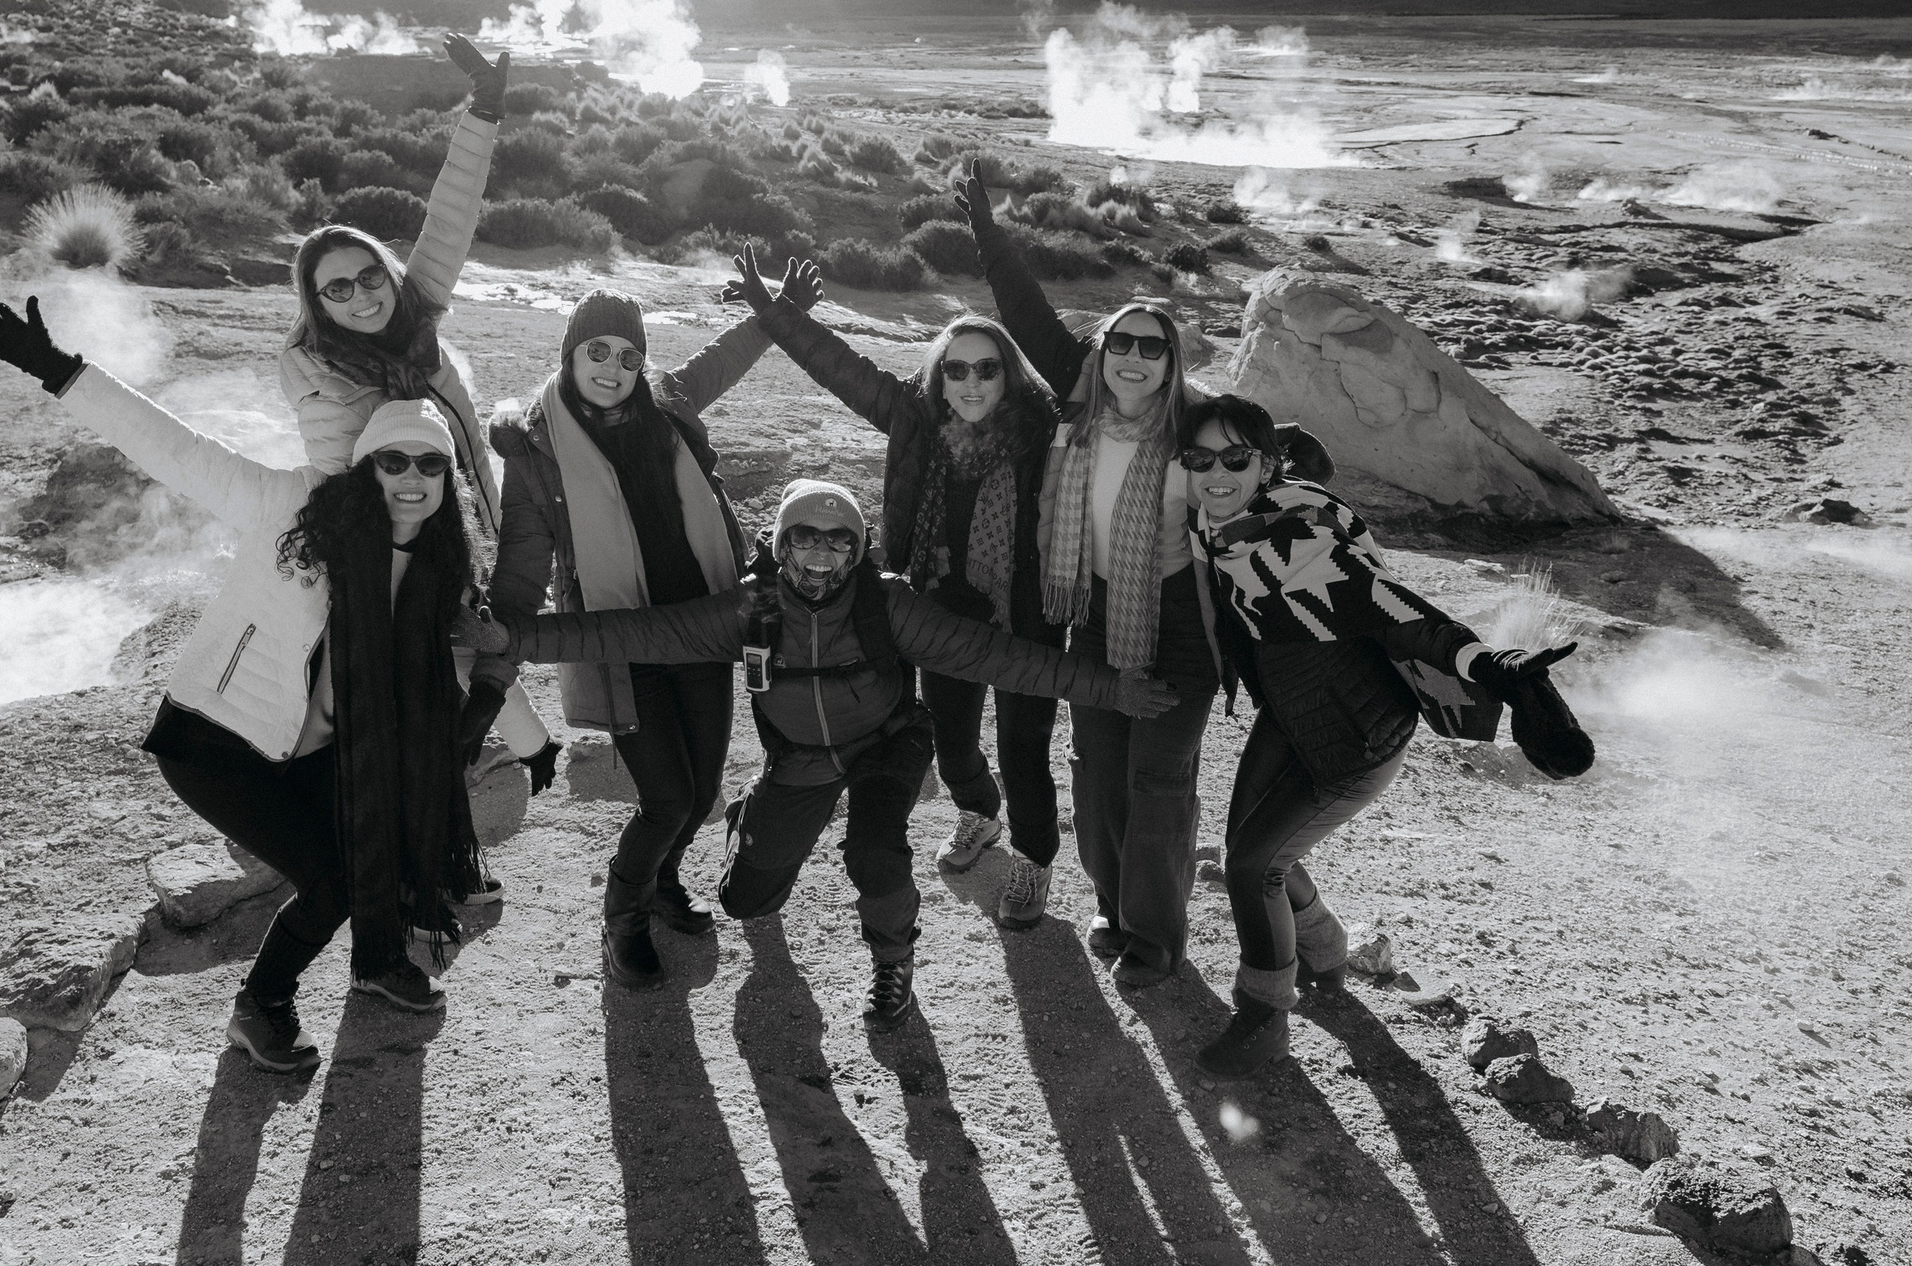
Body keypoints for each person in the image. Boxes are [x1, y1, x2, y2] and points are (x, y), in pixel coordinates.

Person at [0, 294, 498, 1074]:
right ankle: (261, 1004)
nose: (410, 477)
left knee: (377, 839)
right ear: (364, 466)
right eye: (392, 460)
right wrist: (59, 369)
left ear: (448, 478)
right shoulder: (293, 510)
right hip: (215, 741)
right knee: (333, 877)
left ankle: (378, 962)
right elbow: (179, 451)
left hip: (312, 748)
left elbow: (456, 668)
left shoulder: (437, 572)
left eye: (430, 463)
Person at [464, 479, 1177, 1028]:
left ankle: (893, 965)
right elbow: (633, 633)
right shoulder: (751, 609)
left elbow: (997, 656)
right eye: (805, 537)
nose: (821, 554)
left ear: (858, 552)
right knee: (745, 902)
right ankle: (752, 814)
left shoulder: (884, 605)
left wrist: (1110, 688)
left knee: (875, 849)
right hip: (800, 756)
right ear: (781, 545)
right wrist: (515, 639)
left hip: (885, 745)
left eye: (840, 541)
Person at [1179, 394, 1577, 1077]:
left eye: (1235, 459)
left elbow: (1401, 612)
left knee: (1252, 865)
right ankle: (1326, 952)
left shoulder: (1305, 540)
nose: (1217, 472)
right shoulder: (1220, 526)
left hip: (1357, 739)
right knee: (1253, 847)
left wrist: (1494, 665)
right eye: (1200, 459)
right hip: (1294, 716)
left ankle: (1263, 1018)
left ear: (1266, 466)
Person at [723, 244, 1068, 926]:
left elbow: (1079, 361)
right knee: (953, 742)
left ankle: (1034, 859)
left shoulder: (1046, 432)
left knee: (1024, 750)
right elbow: (841, 368)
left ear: (1008, 373)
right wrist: (775, 312)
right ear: (940, 375)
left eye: (987, 368)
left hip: (1025, 618)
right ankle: (980, 813)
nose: (971, 382)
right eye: (956, 368)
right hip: (940, 611)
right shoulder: (918, 420)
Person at [952, 170, 1222, 988]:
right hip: (1096, 613)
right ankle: (1112, 903)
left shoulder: (1198, 426)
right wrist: (989, 235)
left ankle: (1155, 939)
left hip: (1180, 625)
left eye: (1152, 347)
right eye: (1121, 344)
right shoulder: (1080, 400)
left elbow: (1256, 466)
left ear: (1171, 362)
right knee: (1098, 772)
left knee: (1158, 782)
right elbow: (1027, 314)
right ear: (1102, 354)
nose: (1133, 358)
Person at [276, 31, 561, 802]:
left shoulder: (416, 317)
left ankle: (512, 747)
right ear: (318, 304)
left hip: (464, 516)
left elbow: (450, 215)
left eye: (369, 275)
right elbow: (338, 478)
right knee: (444, 646)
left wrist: (484, 113)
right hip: (402, 538)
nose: (362, 295)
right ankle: (518, 750)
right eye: (338, 289)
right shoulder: (325, 379)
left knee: (465, 637)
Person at [486, 279, 785, 990]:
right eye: (597, 350)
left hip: (704, 625)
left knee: (703, 788)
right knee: (668, 798)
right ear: (570, 352)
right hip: (622, 642)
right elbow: (523, 560)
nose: (613, 367)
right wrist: (500, 637)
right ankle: (623, 920)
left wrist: (776, 315)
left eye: (628, 355)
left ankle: (662, 881)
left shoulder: (665, 402)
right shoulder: (536, 447)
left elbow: (721, 361)